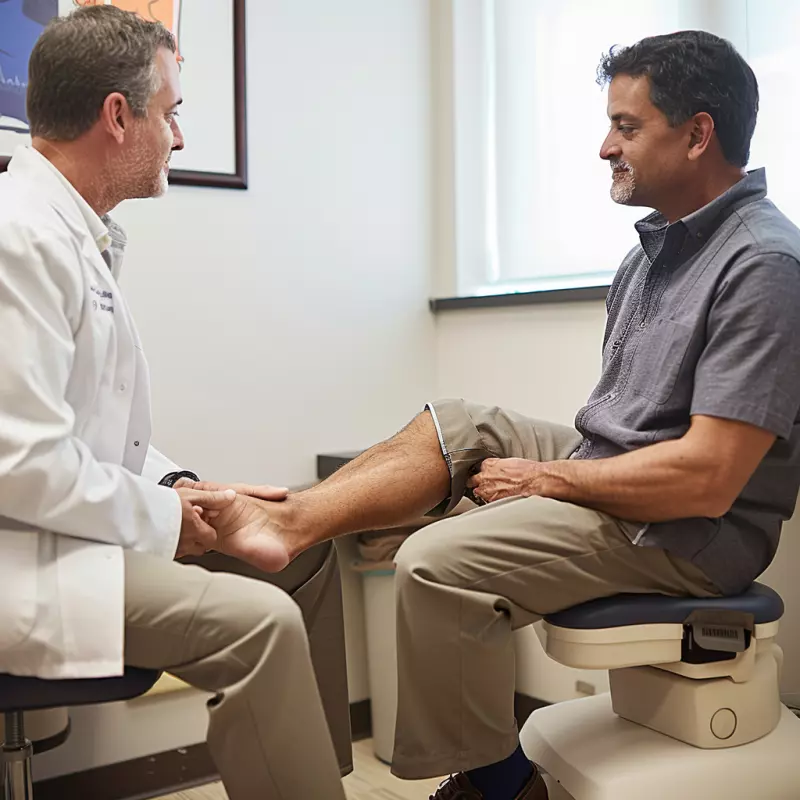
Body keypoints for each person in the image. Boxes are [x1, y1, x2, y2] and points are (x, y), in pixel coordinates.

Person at [205, 30, 800, 800]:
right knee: (461, 423)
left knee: (436, 565)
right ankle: (297, 523)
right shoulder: (652, 255)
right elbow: (626, 433)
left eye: (626, 127)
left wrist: (550, 481)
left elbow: (708, 478)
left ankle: (498, 787)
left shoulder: (761, 265)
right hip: (624, 475)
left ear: (698, 135)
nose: (603, 147)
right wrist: (540, 477)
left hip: (691, 533)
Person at [0, 6, 350, 798]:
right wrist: (168, 526)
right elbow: (19, 464)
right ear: (118, 117)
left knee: (306, 547)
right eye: (172, 115)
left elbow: (89, 432)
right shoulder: (16, 238)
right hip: (22, 558)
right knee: (259, 626)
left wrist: (183, 491)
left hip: (70, 530)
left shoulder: (69, 233)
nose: (179, 137)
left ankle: (313, 782)